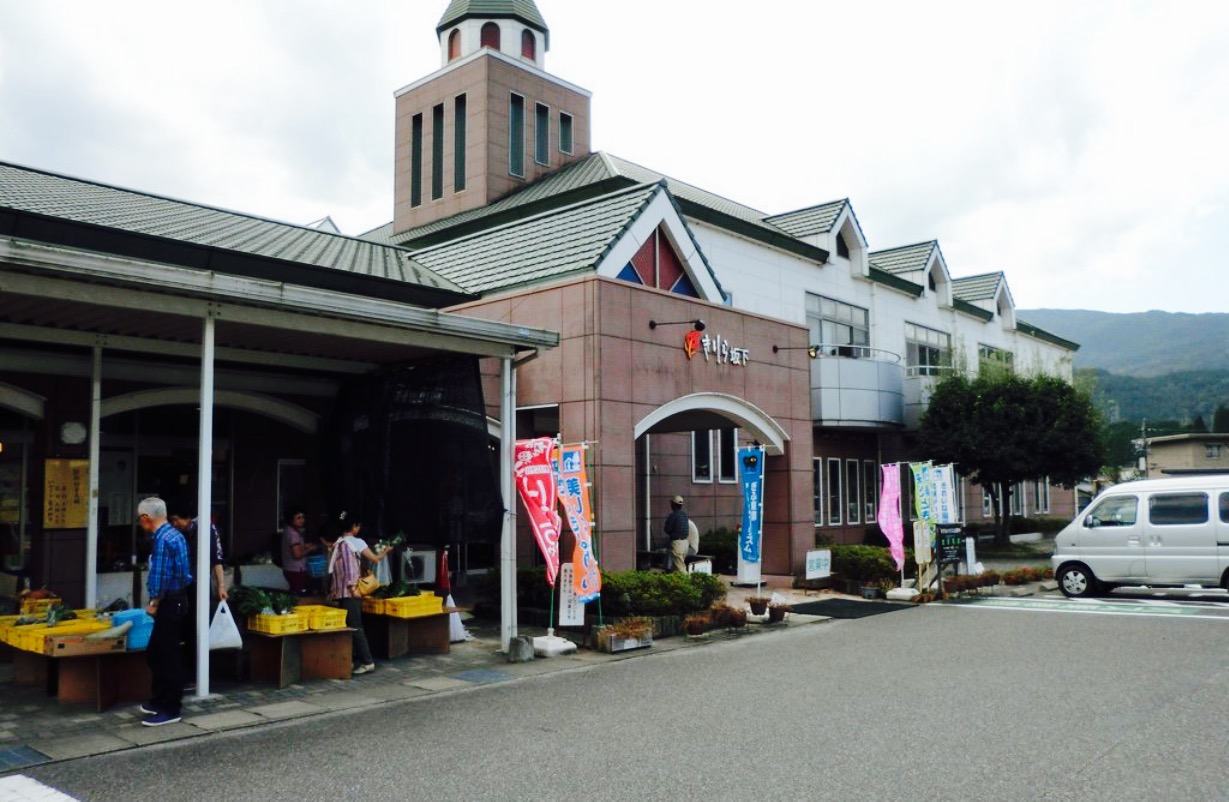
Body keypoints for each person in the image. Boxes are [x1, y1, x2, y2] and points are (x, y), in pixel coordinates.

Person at [138, 496, 192, 726]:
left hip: (168, 601)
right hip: (179, 598)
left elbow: (160, 576)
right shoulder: (176, 535)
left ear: (146, 518)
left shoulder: (161, 540)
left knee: (166, 654)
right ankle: (159, 700)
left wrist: (154, 603)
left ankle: (171, 707)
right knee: (159, 652)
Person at [327, 513, 390, 675]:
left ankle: (359, 660)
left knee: (352, 627)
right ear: (353, 527)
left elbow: (336, 570)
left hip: (341, 592)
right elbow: (353, 567)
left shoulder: (338, 544)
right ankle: (366, 661)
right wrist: (354, 587)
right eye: (358, 525)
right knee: (356, 627)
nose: (359, 528)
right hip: (351, 592)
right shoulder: (353, 543)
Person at [281, 507, 317, 594]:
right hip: (296, 570)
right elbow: (296, 555)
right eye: (298, 518)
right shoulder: (293, 534)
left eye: (302, 517)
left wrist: (304, 546)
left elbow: (293, 546)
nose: (302, 520)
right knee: (298, 595)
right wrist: (309, 549)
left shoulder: (289, 530)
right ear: (291, 519)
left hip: (289, 568)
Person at [664, 495, 690, 572]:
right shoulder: (684, 515)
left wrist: (671, 534)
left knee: (681, 569)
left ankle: (688, 583)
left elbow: (667, 529)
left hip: (677, 544)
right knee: (676, 568)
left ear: (673, 505)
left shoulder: (673, 516)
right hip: (685, 544)